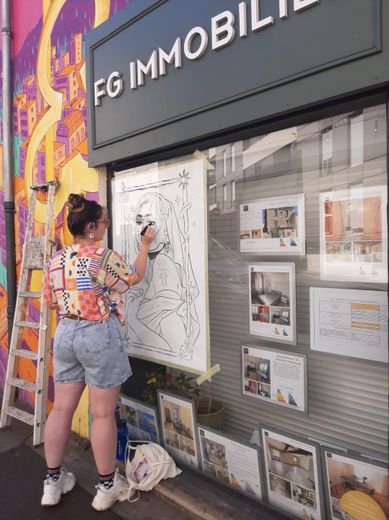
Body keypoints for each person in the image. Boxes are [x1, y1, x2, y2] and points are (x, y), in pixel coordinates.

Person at [41, 193, 155, 511]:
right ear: (91, 227)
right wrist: (145, 246)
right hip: (96, 335)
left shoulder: (57, 260)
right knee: (102, 413)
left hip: (65, 334)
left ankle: (52, 483)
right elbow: (133, 277)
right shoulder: (102, 257)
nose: (106, 225)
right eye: (104, 222)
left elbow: (50, 301)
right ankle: (106, 487)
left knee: (61, 409)